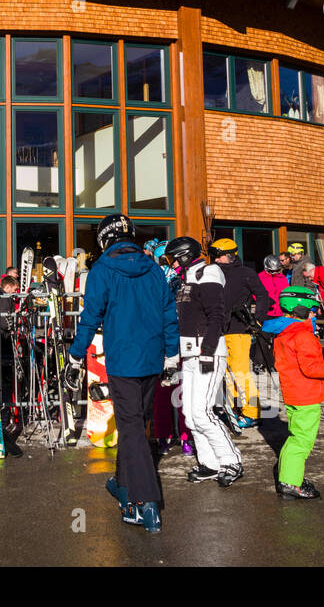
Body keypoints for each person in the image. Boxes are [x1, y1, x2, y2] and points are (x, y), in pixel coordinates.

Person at [65, 214, 178, 532]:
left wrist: (75, 357)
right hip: (152, 360)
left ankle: (146, 503)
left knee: (129, 429)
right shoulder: (154, 268)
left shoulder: (102, 270)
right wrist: (171, 356)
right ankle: (122, 482)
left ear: (104, 239)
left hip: (124, 362)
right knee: (137, 425)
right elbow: (169, 311)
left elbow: (90, 317)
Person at [164, 235, 242, 487]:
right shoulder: (184, 279)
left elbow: (217, 314)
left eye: (173, 259)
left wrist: (208, 348)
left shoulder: (207, 272)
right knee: (190, 413)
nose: (172, 264)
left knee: (203, 412)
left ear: (185, 255)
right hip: (189, 353)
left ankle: (231, 461)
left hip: (207, 352)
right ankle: (209, 463)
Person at [273, 285, 324, 499]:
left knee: (294, 436)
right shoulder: (302, 335)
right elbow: (311, 369)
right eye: (312, 310)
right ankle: (290, 483)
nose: (314, 314)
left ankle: (289, 475)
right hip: (306, 395)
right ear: (300, 309)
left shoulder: (283, 332)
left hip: (292, 392)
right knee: (302, 440)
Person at [208, 238, 270, 427]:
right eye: (214, 256)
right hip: (218, 329)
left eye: (219, 256)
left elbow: (262, 295)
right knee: (225, 372)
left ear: (230, 255)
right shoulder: (212, 273)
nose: (216, 260)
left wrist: (258, 318)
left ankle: (253, 411)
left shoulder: (244, 273)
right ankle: (235, 407)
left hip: (239, 328)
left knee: (240, 371)